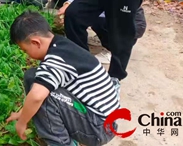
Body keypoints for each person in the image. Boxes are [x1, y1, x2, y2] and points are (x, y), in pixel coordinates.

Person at [6, 11, 119, 146]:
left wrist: (22, 122)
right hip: (100, 119)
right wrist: (23, 113)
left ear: (36, 42)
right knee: (33, 76)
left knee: (45, 96)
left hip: (99, 129)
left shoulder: (55, 60)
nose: (27, 55)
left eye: (25, 50)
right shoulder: (61, 45)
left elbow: (36, 96)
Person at [58, 0, 147, 63]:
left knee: (95, 19)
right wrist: (68, 4)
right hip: (124, 22)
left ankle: (111, 49)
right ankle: (106, 43)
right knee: (89, 16)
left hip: (132, 25)